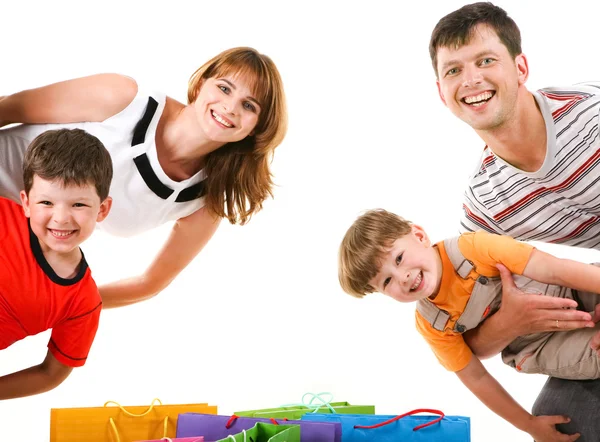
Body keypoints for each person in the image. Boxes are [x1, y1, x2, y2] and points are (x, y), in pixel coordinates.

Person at [0, 47, 287, 308]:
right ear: (201, 85)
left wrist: (68, 302)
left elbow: (151, 282)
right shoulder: (125, 100)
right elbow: (8, 107)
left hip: (11, 249)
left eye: (249, 106)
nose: (231, 107)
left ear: (256, 128)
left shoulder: (203, 199)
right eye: (224, 88)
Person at [429, 3, 600, 438]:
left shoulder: (590, 114)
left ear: (520, 67)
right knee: (565, 421)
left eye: (485, 60)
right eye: (453, 71)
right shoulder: (483, 206)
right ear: (441, 92)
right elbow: (475, 348)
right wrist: (512, 321)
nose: (471, 80)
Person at [338, 208, 600, 441]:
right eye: (386, 282)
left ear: (419, 236)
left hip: (569, 290)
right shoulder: (432, 324)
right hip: (543, 344)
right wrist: (529, 425)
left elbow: (554, 269)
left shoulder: (473, 249)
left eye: (398, 259)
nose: (402, 277)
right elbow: (477, 377)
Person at [0, 128, 112, 399]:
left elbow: (51, 373)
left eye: (78, 204)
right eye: (47, 202)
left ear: (103, 209)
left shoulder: (83, 303)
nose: (61, 218)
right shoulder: (5, 213)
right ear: (26, 203)